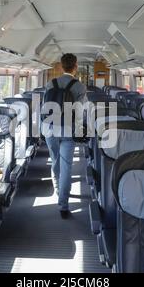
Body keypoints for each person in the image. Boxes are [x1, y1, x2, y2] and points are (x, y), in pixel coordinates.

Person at [42, 53, 87, 219]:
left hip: (49, 127)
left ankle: (58, 189)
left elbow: (44, 108)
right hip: (68, 129)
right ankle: (63, 205)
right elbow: (81, 112)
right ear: (75, 66)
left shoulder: (50, 84)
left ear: (61, 66)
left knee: (55, 161)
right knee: (67, 166)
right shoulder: (80, 87)